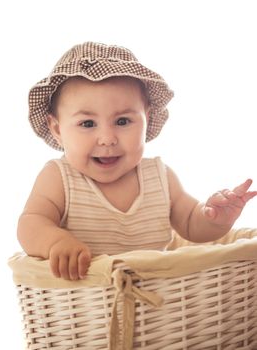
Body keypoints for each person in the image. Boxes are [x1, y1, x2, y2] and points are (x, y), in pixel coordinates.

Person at [17, 42, 257, 281]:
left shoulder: (160, 177)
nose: (108, 139)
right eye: (87, 124)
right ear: (57, 129)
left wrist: (215, 218)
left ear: (147, 118)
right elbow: (30, 223)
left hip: (160, 306)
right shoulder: (59, 178)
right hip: (84, 306)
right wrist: (56, 242)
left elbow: (192, 224)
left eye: (122, 121)